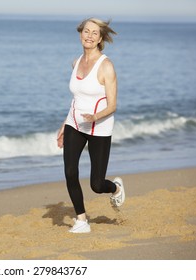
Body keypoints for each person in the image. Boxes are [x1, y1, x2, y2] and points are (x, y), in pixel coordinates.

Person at [56, 18, 125, 233]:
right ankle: (81, 220)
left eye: (95, 33)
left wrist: (96, 116)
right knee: (70, 172)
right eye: (87, 31)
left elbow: (113, 105)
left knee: (96, 184)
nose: (90, 36)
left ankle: (115, 188)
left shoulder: (106, 66)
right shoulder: (76, 62)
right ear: (80, 34)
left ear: (101, 39)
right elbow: (77, 99)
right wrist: (64, 124)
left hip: (99, 127)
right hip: (75, 124)